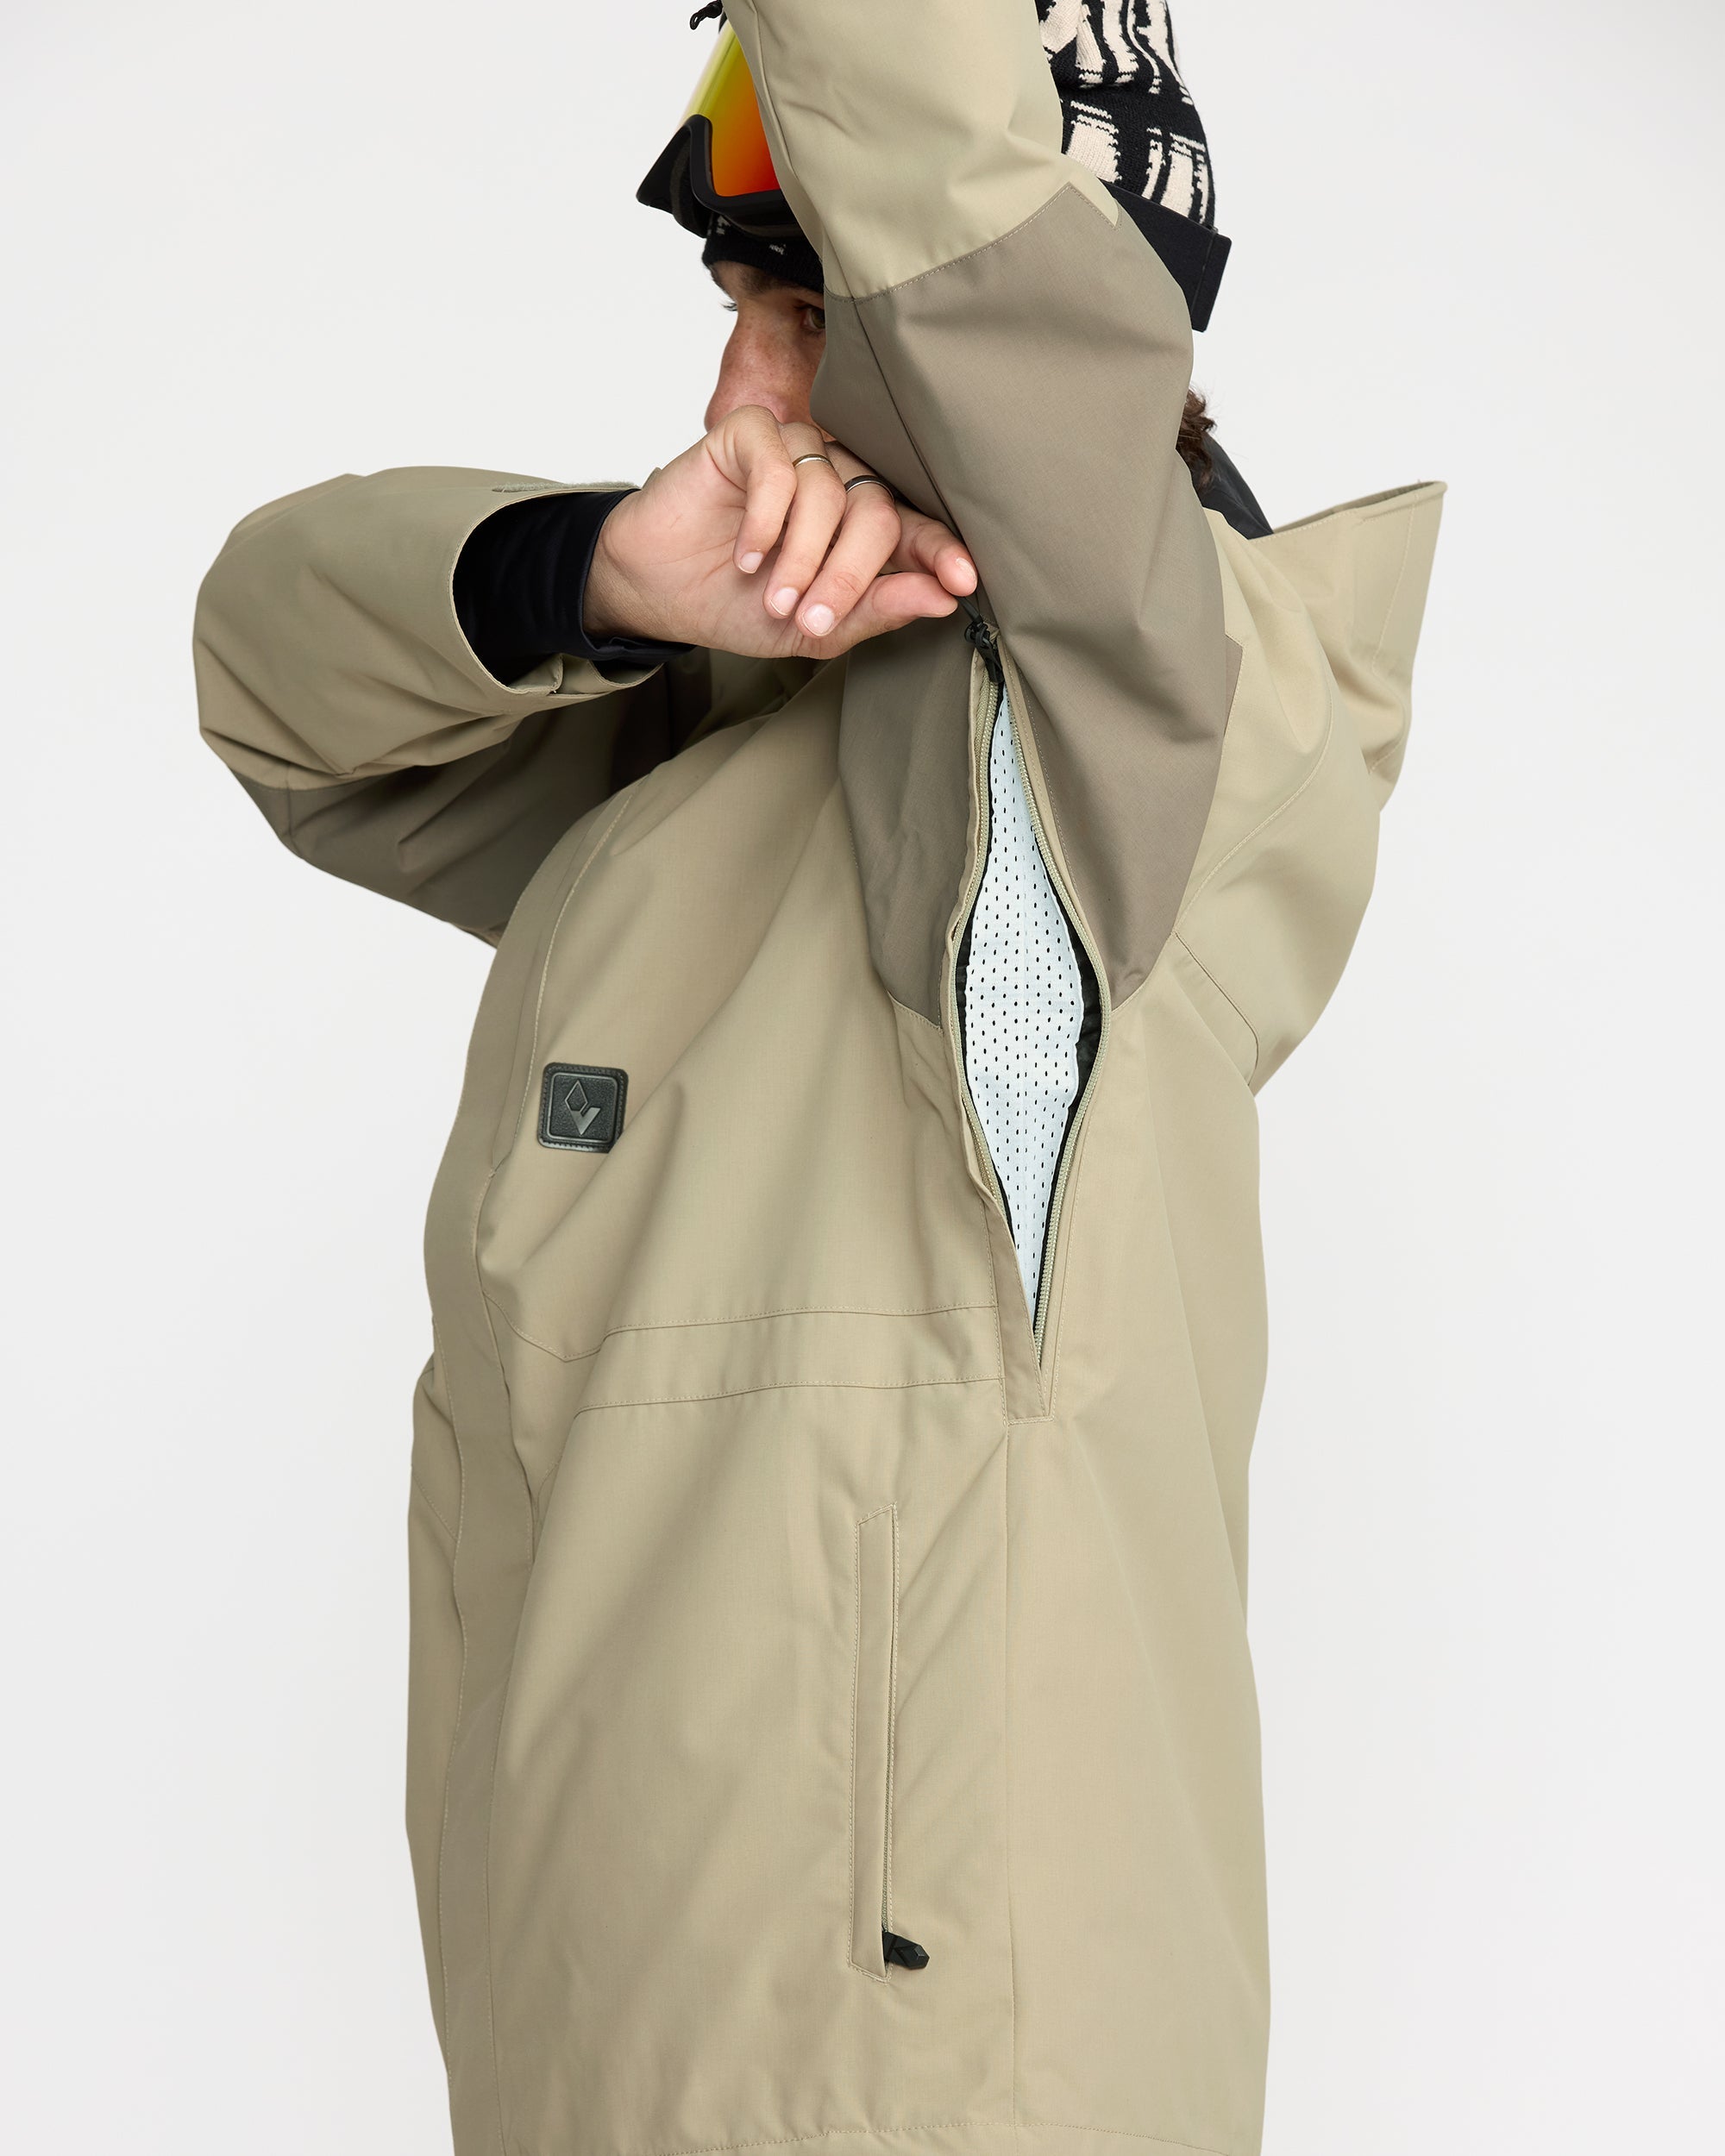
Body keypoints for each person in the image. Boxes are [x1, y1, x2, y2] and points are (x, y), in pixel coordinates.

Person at [192, 4, 1443, 2153]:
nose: (732, 395)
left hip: (914, 2082)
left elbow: (972, 222)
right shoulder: (714, 749)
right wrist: (596, 569)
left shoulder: (1118, 730)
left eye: (795, 317)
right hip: (606, 2041)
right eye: (729, 316)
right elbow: (271, 676)